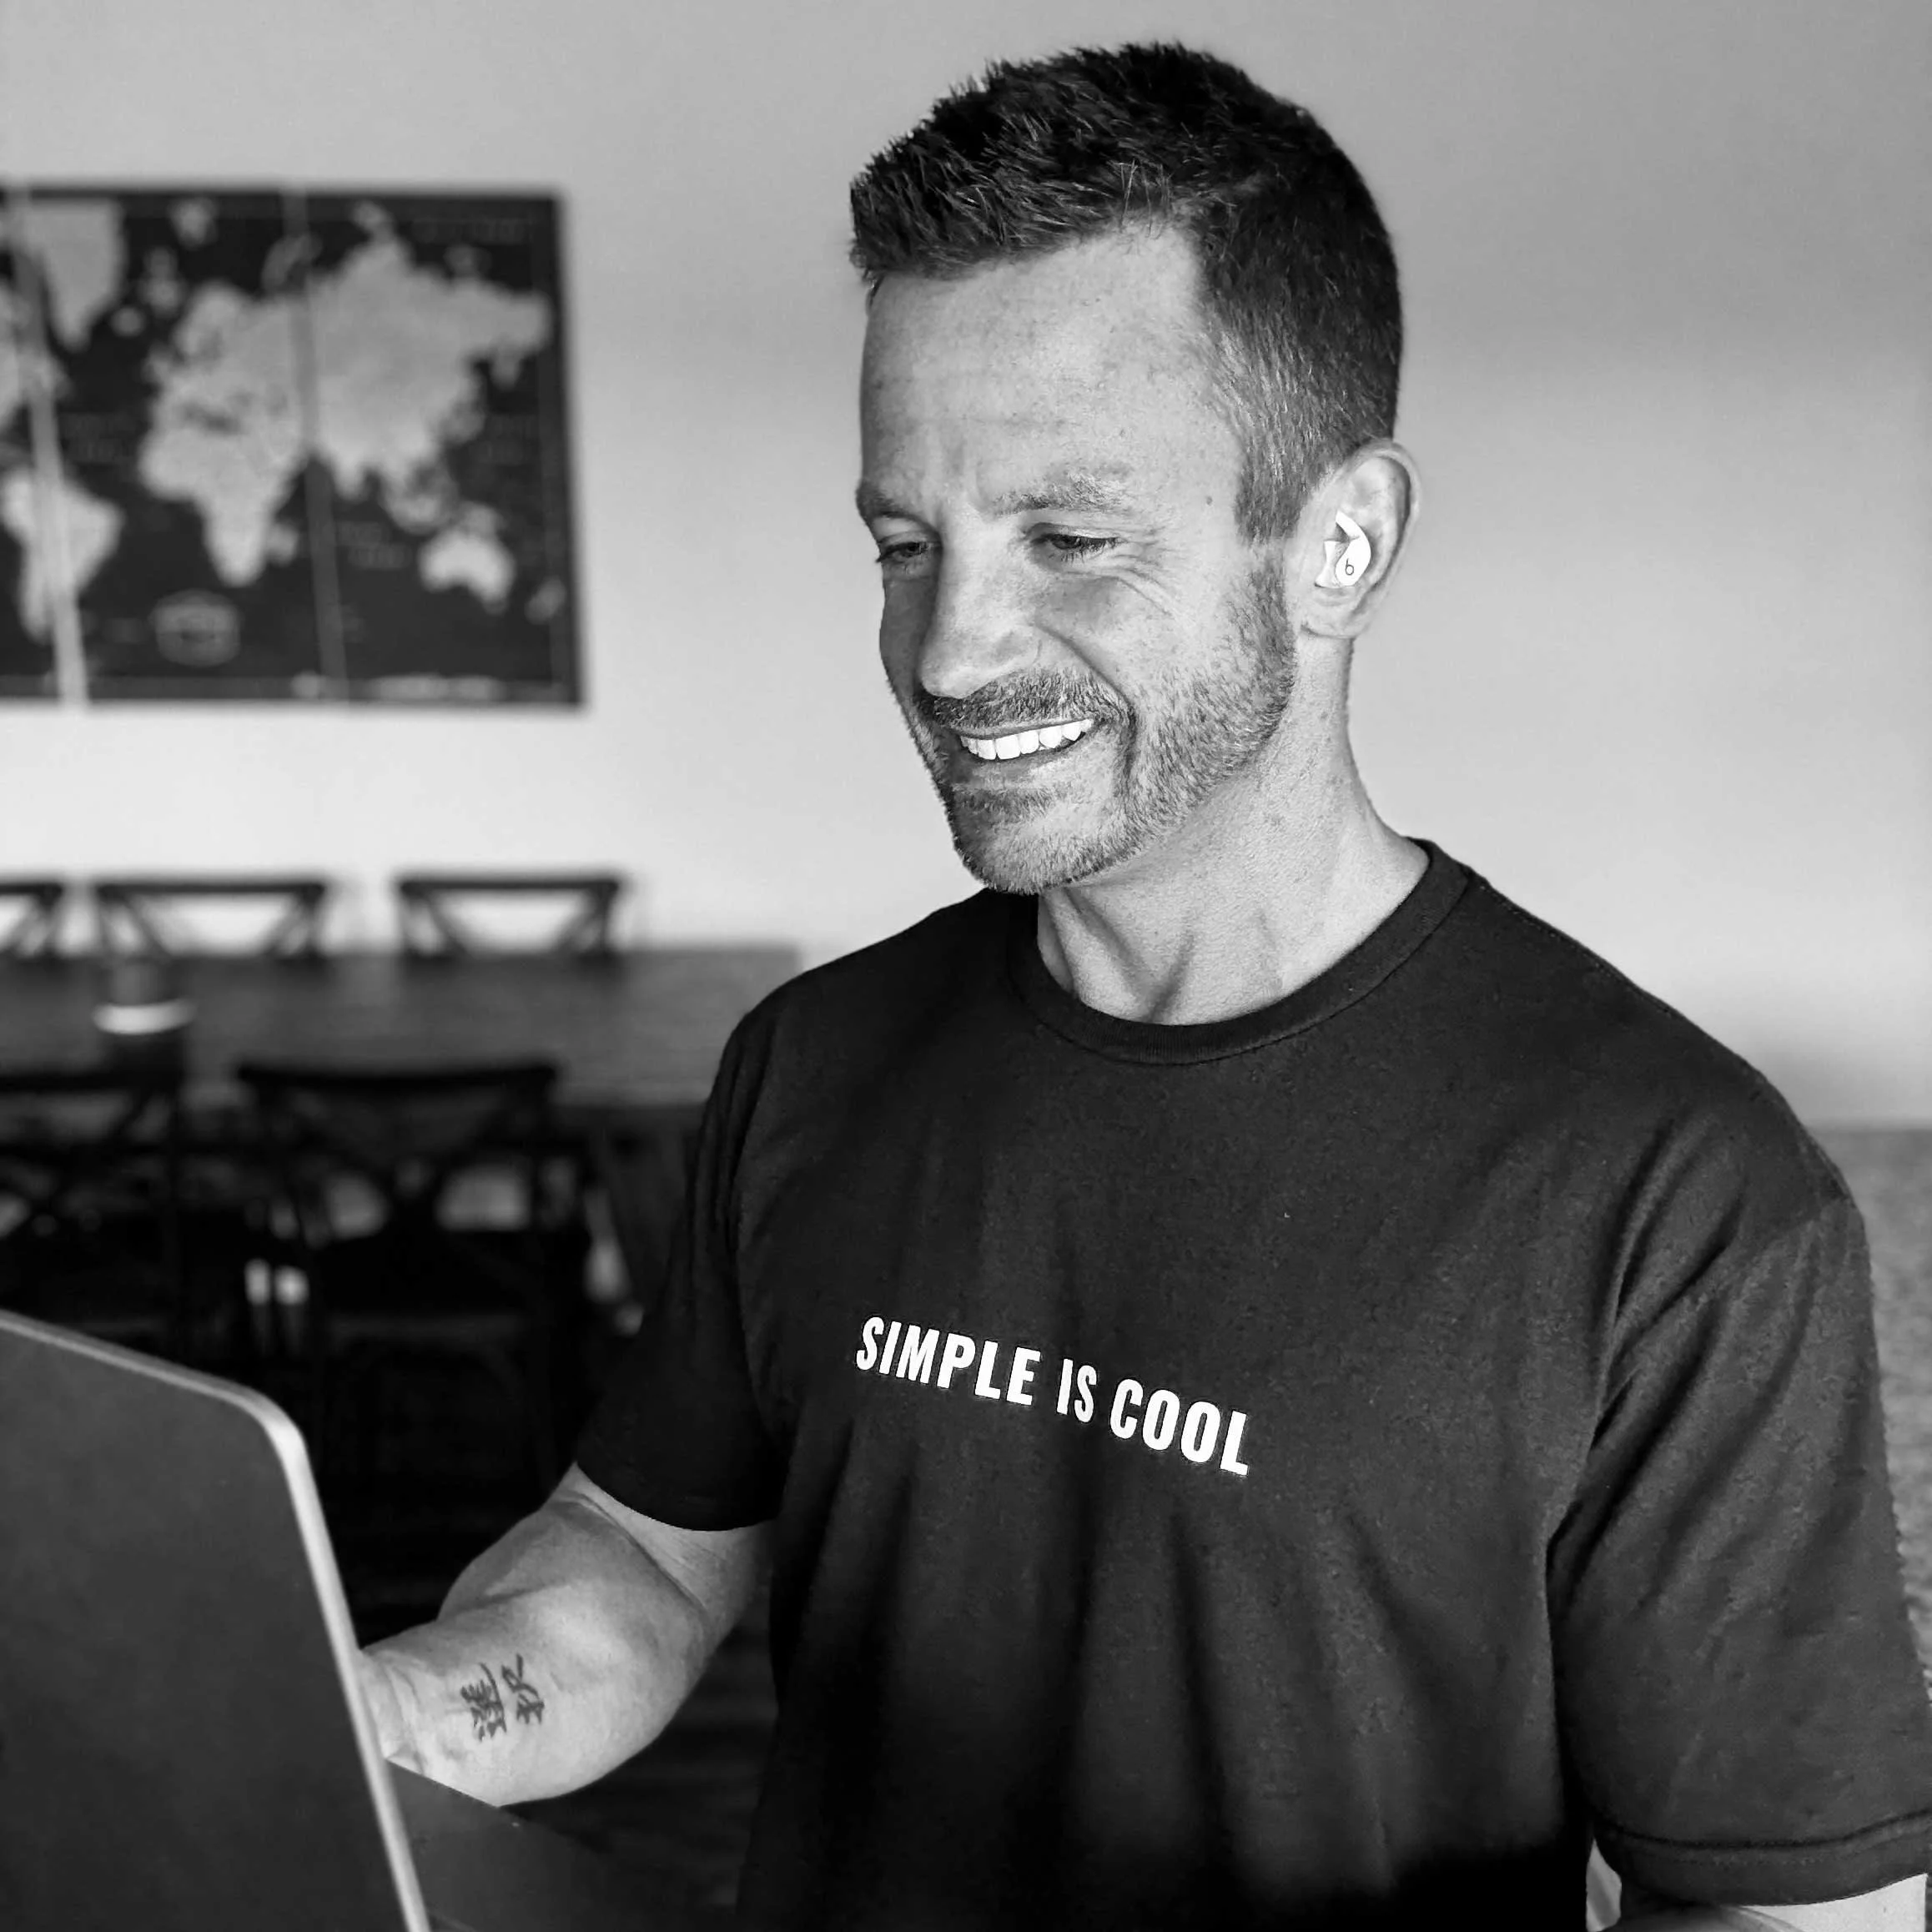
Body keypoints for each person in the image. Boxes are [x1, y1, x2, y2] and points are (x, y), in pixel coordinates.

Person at [358, 43, 1932, 1930]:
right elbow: (642, 1555)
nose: (948, 649)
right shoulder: (817, 1062)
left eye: (1072, 541)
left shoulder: (1670, 1199)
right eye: (903, 540)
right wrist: (395, 1715)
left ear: (1340, 540)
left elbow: (1780, 1906)